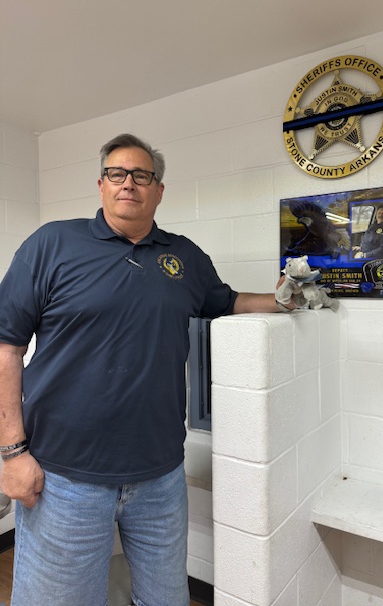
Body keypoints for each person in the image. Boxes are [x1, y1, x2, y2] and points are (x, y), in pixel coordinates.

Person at [0, 133, 295, 606]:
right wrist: (12, 453)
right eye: (117, 174)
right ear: (101, 185)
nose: (129, 184)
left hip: (159, 476)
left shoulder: (184, 255)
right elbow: (6, 350)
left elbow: (227, 301)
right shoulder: (51, 244)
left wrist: (282, 301)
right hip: (65, 477)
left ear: (159, 190)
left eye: (142, 175)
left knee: (166, 599)